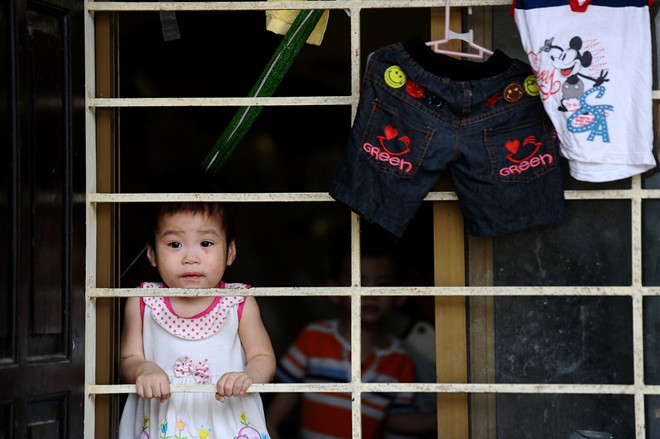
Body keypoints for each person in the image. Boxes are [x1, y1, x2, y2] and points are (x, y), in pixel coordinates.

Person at [118, 173, 276, 439]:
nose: (190, 258)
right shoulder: (143, 301)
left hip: (227, 419)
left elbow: (264, 358)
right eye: (174, 244)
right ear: (152, 254)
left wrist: (248, 375)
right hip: (165, 423)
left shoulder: (239, 302)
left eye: (206, 243)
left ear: (230, 252)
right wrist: (143, 369)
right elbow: (128, 359)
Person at [265, 225, 436, 439]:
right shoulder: (314, 337)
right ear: (335, 291)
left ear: (399, 296)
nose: (370, 294)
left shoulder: (400, 360)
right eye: (359, 284)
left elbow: (395, 418)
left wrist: (443, 417)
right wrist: (270, 425)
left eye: (383, 285)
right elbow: (288, 390)